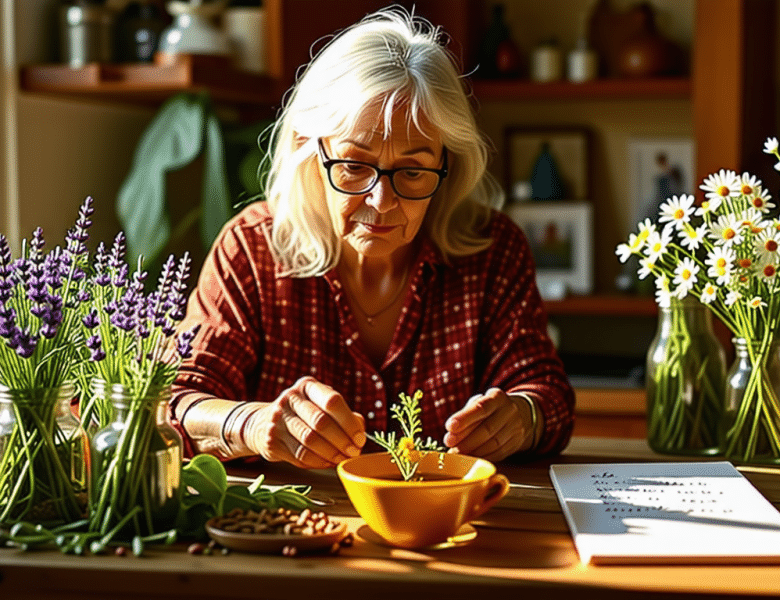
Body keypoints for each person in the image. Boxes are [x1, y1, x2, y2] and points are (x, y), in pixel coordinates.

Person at [169, 6, 575, 469]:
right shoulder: (251, 249)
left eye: (413, 170)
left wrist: (524, 416)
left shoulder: (492, 249)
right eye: (354, 165)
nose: (381, 200)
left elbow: (549, 394)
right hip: (295, 526)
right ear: (307, 148)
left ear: (448, 165)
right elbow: (178, 401)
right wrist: (252, 425)